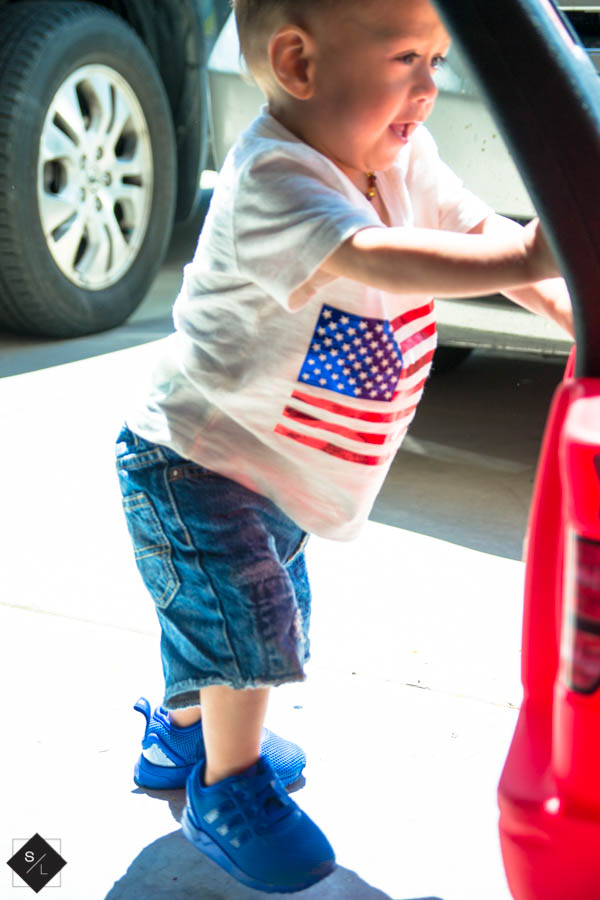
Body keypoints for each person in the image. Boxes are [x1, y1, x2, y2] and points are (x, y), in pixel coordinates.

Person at [115, 0, 573, 892]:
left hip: (272, 468)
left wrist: (566, 306)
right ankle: (227, 786)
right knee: (248, 626)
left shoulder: (401, 156)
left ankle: (183, 735)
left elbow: (473, 228)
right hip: (196, 461)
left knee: (239, 616)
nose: (431, 87)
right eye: (407, 58)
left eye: (438, 58)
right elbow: (372, 255)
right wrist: (529, 255)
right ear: (299, 63)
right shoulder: (273, 181)